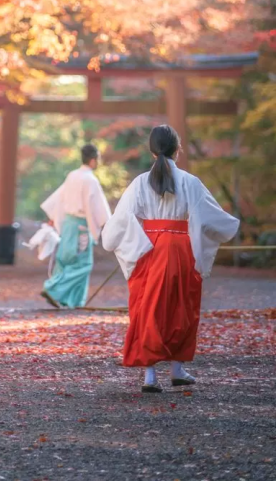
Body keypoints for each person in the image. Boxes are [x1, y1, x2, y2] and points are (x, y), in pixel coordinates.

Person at [101, 124, 239, 393]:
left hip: (148, 248)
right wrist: (229, 226)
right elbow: (210, 217)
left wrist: (128, 242)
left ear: (152, 151)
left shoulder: (140, 182)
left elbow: (121, 220)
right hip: (179, 246)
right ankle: (177, 369)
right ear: (178, 149)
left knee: (146, 309)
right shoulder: (190, 181)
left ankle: (150, 376)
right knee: (182, 307)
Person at [39, 143, 111, 309]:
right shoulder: (90, 180)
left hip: (68, 224)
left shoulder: (72, 175)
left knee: (65, 260)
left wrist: (54, 218)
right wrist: (109, 225)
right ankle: (53, 289)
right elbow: (97, 207)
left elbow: (60, 198)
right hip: (81, 227)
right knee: (82, 264)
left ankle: (71, 300)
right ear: (93, 160)